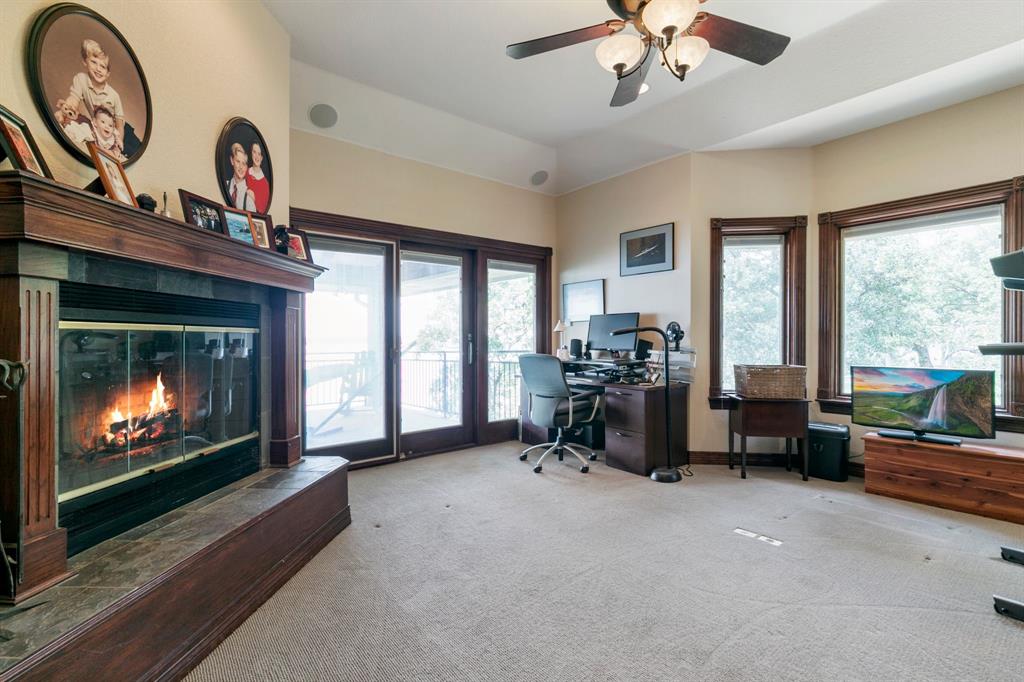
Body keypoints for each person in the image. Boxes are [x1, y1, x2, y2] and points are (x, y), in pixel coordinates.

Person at [54, 39, 125, 153]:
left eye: (103, 66)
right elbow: (74, 99)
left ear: (108, 74)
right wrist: (66, 110)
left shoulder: (114, 95)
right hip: (98, 125)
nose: (98, 69)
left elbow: (119, 126)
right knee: (77, 123)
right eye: (93, 62)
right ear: (85, 62)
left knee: (123, 147)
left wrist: (117, 145)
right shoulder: (81, 79)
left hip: (113, 129)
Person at [225, 142, 256, 211]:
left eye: (244, 163)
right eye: (238, 161)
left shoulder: (248, 197)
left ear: (247, 167)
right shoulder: (225, 185)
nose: (241, 167)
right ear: (232, 160)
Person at [246, 142, 270, 213]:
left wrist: (253, 200)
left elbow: (262, 211)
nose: (256, 156)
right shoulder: (244, 172)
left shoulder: (265, 184)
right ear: (251, 154)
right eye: (254, 152)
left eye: (259, 154)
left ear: (261, 158)